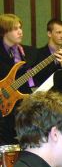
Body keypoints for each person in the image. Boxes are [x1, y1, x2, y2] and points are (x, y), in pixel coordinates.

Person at [0, 13, 37, 145]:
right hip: (3, 113)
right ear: (5, 31)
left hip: (21, 109)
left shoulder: (28, 52)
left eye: (20, 27)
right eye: (15, 28)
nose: (20, 31)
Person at [34, 18, 62, 86]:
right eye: (59, 32)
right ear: (49, 33)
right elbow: (36, 80)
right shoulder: (37, 54)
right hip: (43, 95)